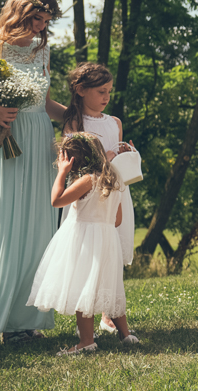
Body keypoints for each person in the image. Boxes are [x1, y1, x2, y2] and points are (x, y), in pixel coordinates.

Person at [0, 0, 67, 344]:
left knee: (38, 227)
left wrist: (79, 117)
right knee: (7, 225)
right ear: (22, 10)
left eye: (46, 21)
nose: (40, 26)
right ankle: (0, 311)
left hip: (39, 139)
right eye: (37, 18)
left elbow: (47, 103)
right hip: (8, 136)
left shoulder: (43, 49)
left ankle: (23, 323)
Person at [27, 134, 138, 355]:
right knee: (110, 288)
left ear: (73, 160)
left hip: (85, 241)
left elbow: (56, 200)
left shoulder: (87, 180)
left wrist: (61, 172)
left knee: (82, 287)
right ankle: (126, 336)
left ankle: (86, 341)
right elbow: (117, 220)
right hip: (107, 240)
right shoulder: (114, 178)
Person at [62, 63, 136, 334]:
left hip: (115, 195)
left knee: (112, 252)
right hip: (89, 198)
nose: (106, 97)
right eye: (101, 91)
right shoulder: (74, 123)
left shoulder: (114, 122)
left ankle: (110, 314)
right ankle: (93, 316)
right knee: (90, 256)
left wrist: (126, 153)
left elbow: (118, 157)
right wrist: (108, 158)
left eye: (109, 92)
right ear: (81, 91)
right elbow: (77, 162)